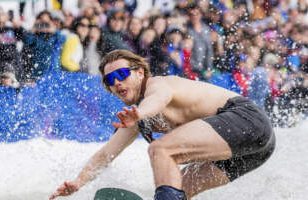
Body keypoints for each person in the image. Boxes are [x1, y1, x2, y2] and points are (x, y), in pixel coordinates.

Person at [50, 49, 276, 200]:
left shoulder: (158, 85)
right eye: (110, 80)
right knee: (179, 187)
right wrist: (77, 182)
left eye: (121, 74)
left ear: (140, 73)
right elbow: (106, 153)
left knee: (160, 149)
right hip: (256, 152)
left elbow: (157, 101)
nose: (117, 82)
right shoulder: (136, 116)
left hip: (247, 119)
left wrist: (140, 114)